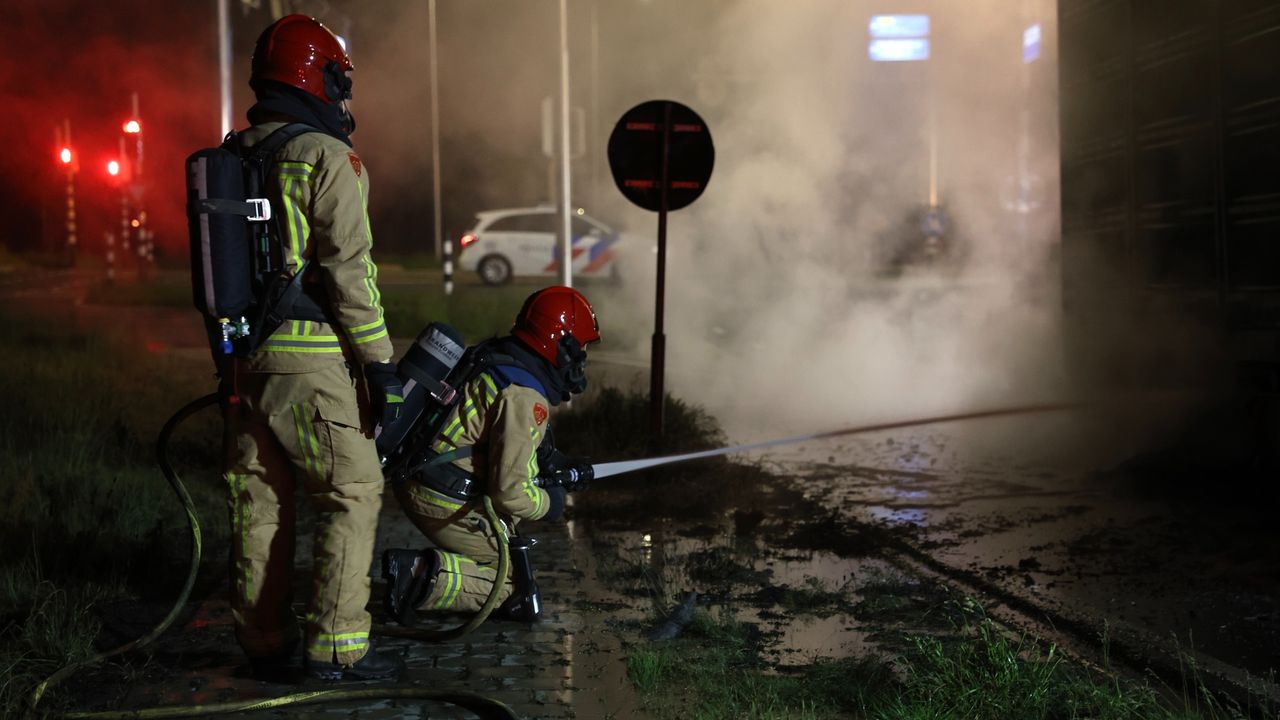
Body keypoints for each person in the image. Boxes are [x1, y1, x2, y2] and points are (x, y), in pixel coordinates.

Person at [220, 14, 404, 681]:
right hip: (313, 365)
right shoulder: (327, 158)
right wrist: (380, 365)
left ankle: (263, 646)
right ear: (315, 76)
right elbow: (351, 275)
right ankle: (334, 649)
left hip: (244, 361)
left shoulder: (234, 154)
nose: (343, 96)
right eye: (338, 79)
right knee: (351, 489)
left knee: (260, 502)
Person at [381, 286, 600, 624]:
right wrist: (551, 503)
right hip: (441, 497)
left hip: (423, 475)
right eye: (581, 348)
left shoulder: (502, 357)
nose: (582, 358)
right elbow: (510, 493)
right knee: (512, 586)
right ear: (560, 343)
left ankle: (423, 572)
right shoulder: (526, 397)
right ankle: (417, 575)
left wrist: (555, 463)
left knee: (512, 564)